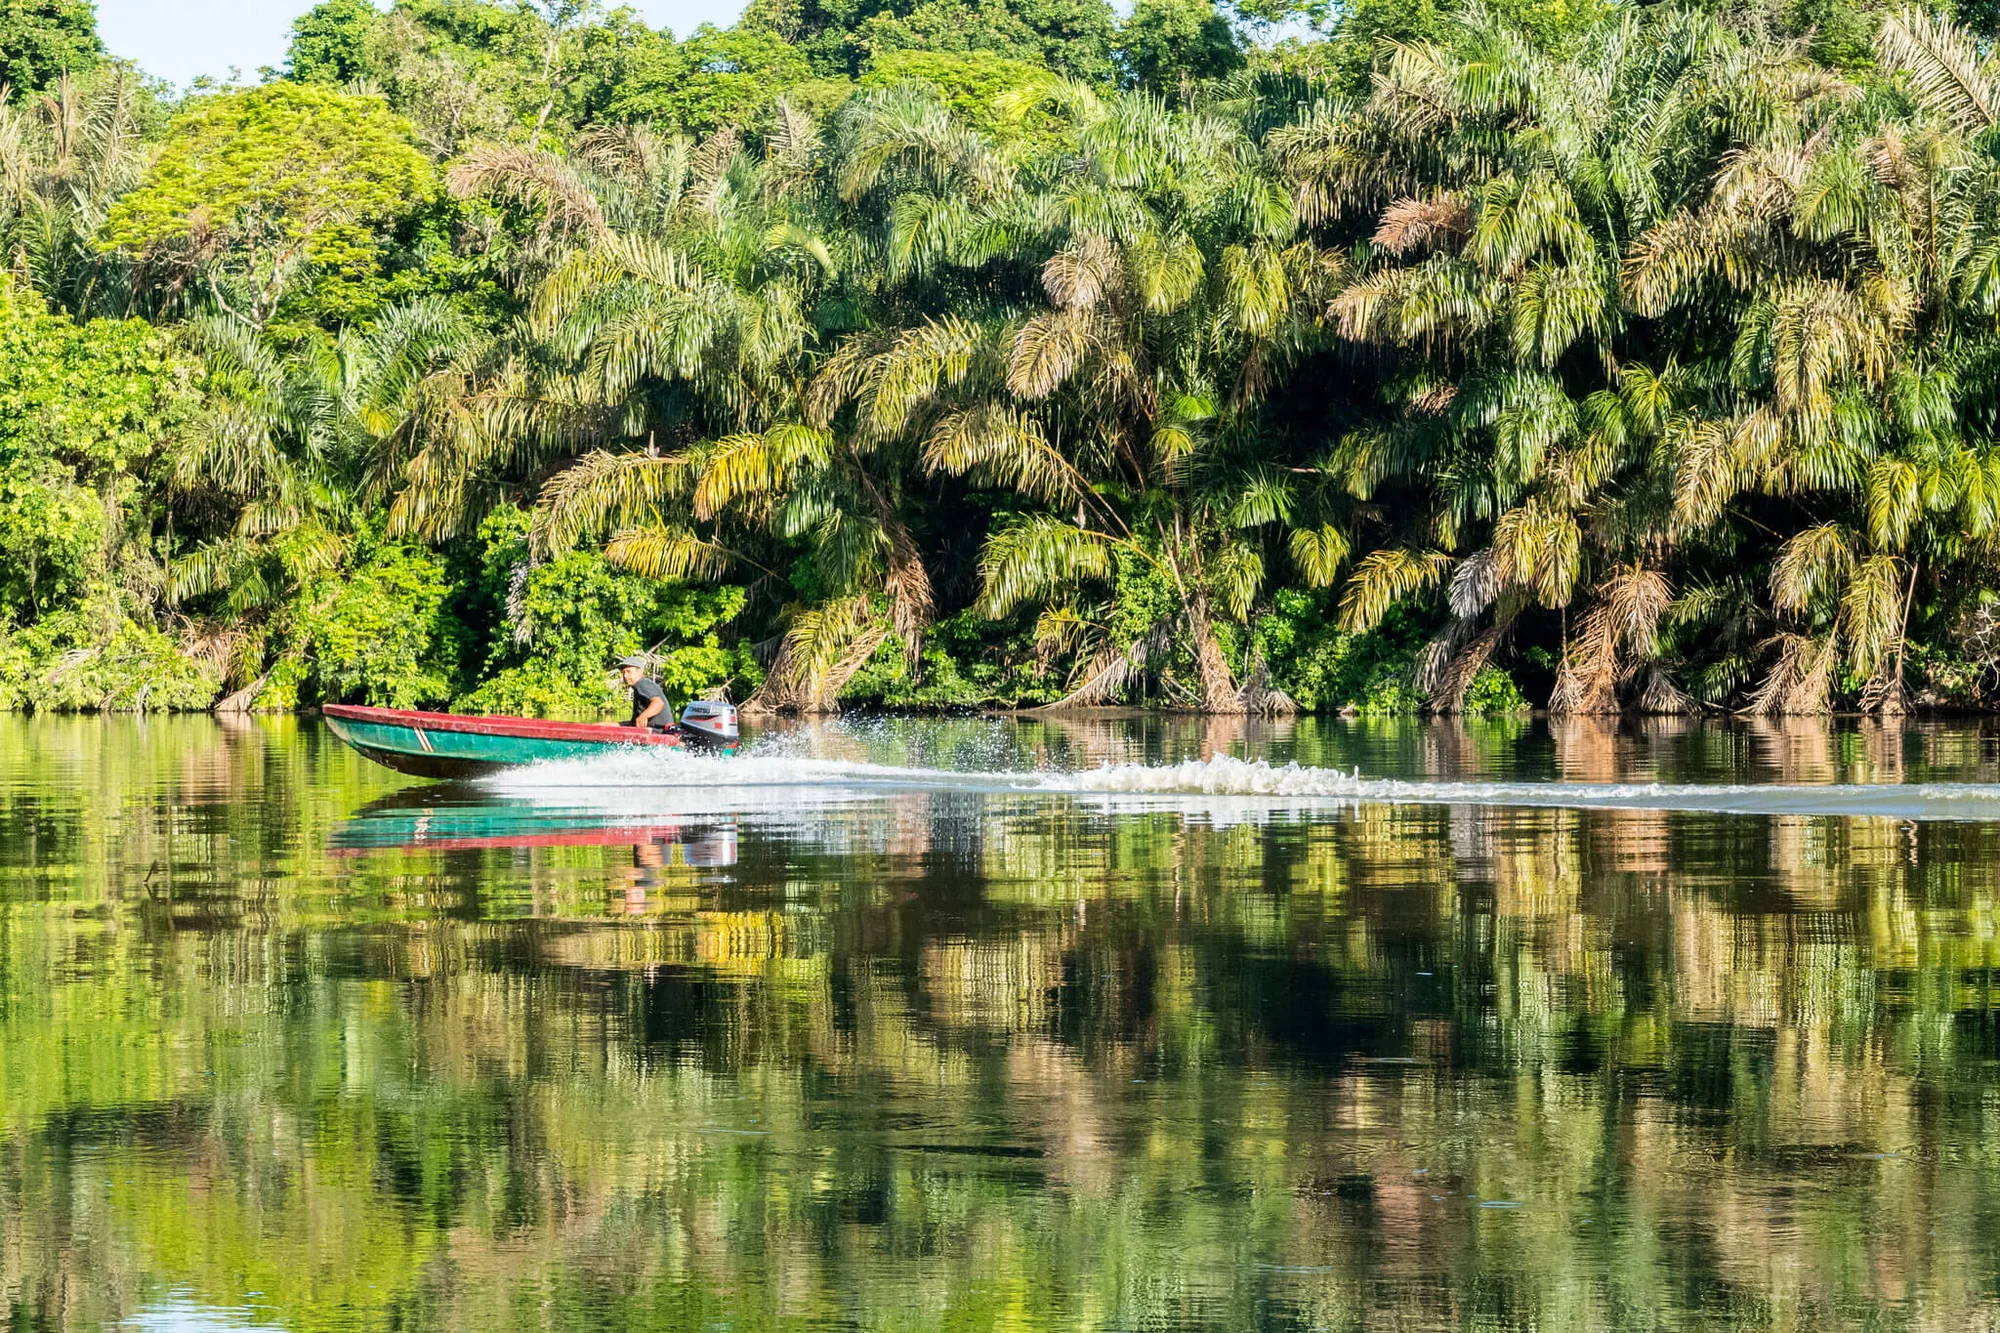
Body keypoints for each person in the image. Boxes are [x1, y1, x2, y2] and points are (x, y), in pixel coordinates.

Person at [616, 655, 670, 731]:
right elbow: (633, 723)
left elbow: (658, 703)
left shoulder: (642, 683)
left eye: (628, 671)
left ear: (640, 671)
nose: (625, 675)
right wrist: (607, 725)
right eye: (623, 672)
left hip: (658, 734)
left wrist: (644, 716)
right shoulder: (638, 689)